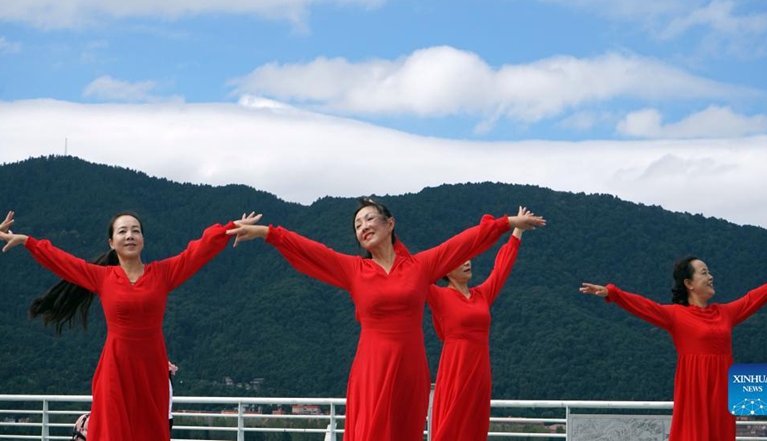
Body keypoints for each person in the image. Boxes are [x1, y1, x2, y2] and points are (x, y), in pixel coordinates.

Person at [227, 197, 545, 441]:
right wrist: (268, 233)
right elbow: (312, 252)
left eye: (369, 219)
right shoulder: (355, 270)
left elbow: (464, 242)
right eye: (357, 226)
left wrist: (508, 224)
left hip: (411, 371)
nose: (363, 227)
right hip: (372, 368)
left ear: (390, 223)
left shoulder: (420, 267)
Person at [0, 210, 260, 441]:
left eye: (136, 230)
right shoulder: (102, 277)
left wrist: (228, 228)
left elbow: (197, 251)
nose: (130, 235)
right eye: (122, 231)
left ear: (143, 240)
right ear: (112, 243)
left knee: (151, 431)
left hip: (152, 370)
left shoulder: (163, 273)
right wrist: (26, 241)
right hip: (115, 368)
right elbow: (64, 263)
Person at [580, 256, 767, 441]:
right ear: (689, 283)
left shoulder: (725, 313)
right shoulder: (676, 315)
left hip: (722, 393)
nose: (710, 277)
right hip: (694, 390)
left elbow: (752, 299)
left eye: (709, 272)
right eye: (704, 273)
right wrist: (612, 293)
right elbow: (643, 306)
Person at [427, 206, 539, 441]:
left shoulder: (482, 295)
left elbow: (501, 269)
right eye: (459, 259)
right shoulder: (437, 295)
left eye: (468, 257)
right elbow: (413, 272)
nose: (467, 262)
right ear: (445, 270)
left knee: (474, 429)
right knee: (450, 428)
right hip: (454, 370)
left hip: (480, 372)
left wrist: (517, 231)